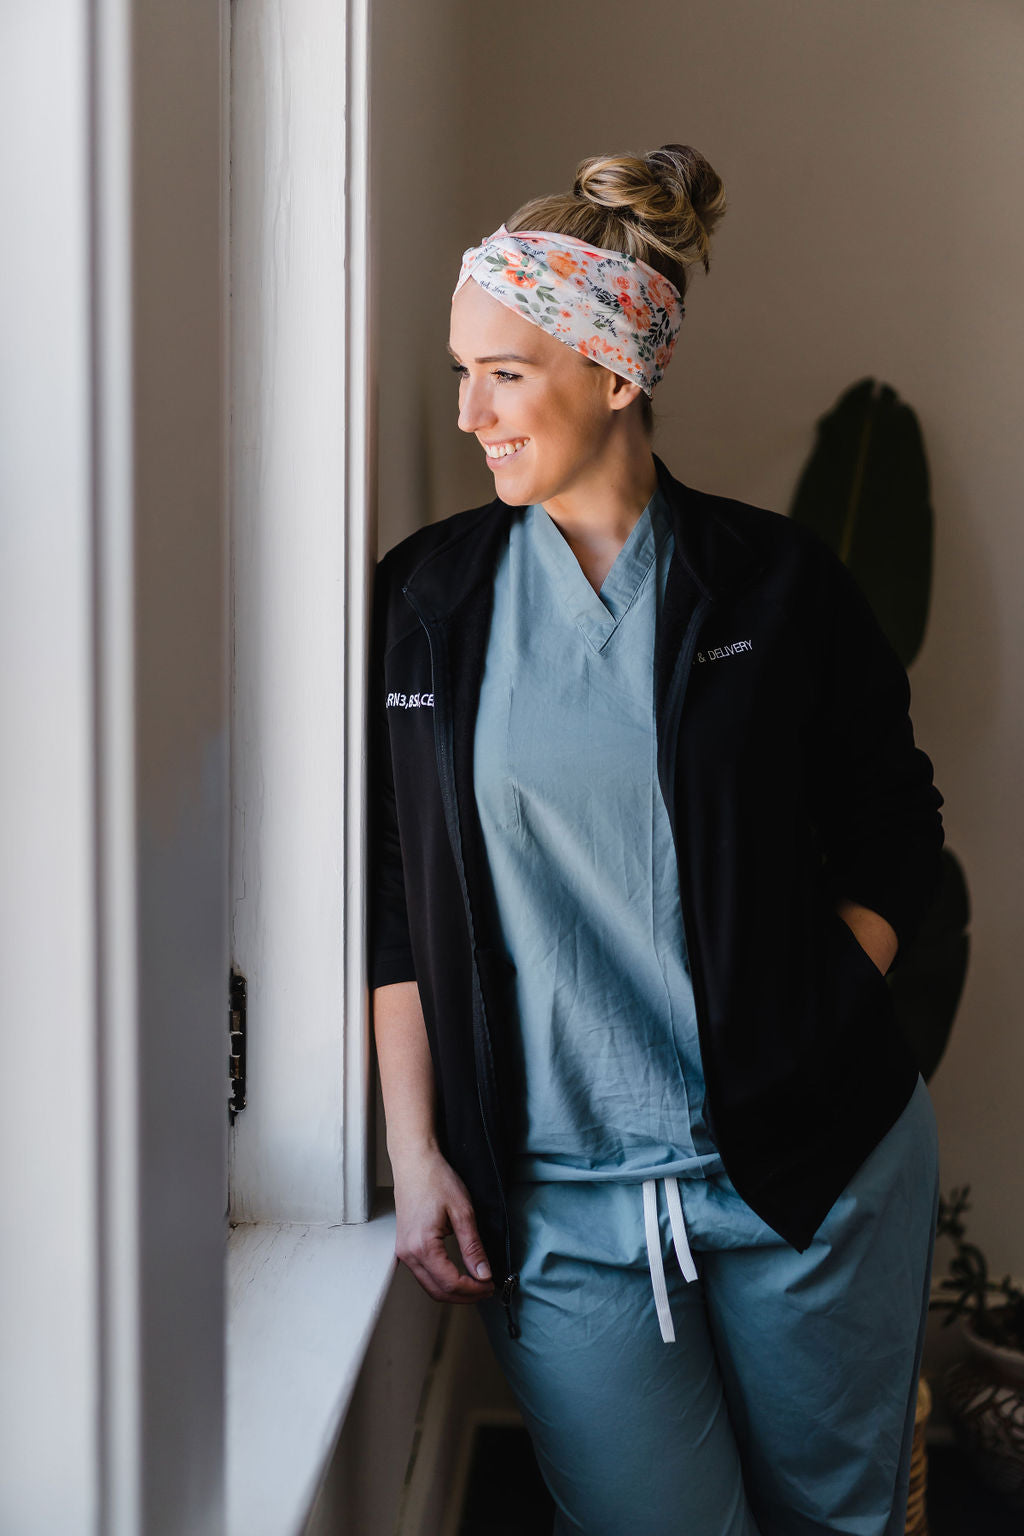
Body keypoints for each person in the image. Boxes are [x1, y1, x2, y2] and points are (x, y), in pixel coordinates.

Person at [370, 144, 944, 1536]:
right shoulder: (428, 601)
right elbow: (392, 883)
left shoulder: (778, 584)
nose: (470, 413)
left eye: (504, 372)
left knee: (832, 1522)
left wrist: (817, 1013)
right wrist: (416, 1140)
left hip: (802, 1177)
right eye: (463, 371)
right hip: (561, 1209)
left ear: (616, 373)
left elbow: (896, 830)